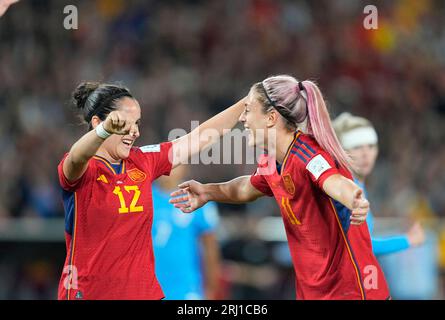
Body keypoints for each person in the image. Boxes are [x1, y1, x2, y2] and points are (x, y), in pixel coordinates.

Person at [170, 75, 391, 300]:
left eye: (248, 110)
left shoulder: (307, 155)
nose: (243, 119)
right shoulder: (271, 161)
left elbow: (334, 181)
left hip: (352, 289)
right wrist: (207, 192)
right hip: (315, 292)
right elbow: (246, 188)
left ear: (271, 118)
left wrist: (355, 199)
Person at [57, 81, 245, 300]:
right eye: (124, 124)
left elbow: (198, 138)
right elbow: (76, 156)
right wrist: (103, 131)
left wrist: (246, 102)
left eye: (137, 123)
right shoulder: (81, 170)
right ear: (99, 122)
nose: (135, 131)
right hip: (89, 293)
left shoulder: (142, 161)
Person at [333, 112, 425, 256]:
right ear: (341, 150)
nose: (366, 154)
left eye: (371, 146)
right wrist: (408, 240)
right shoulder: (347, 189)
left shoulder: (355, 185)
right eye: (356, 147)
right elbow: (363, 247)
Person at [152, 165, 221, 300]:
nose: (168, 170)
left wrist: (211, 289)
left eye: (176, 165)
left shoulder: (199, 199)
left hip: (187, 288)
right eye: (164, 164)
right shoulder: (140, 199)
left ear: (185, 168)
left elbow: (210, 249)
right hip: (148, 288)